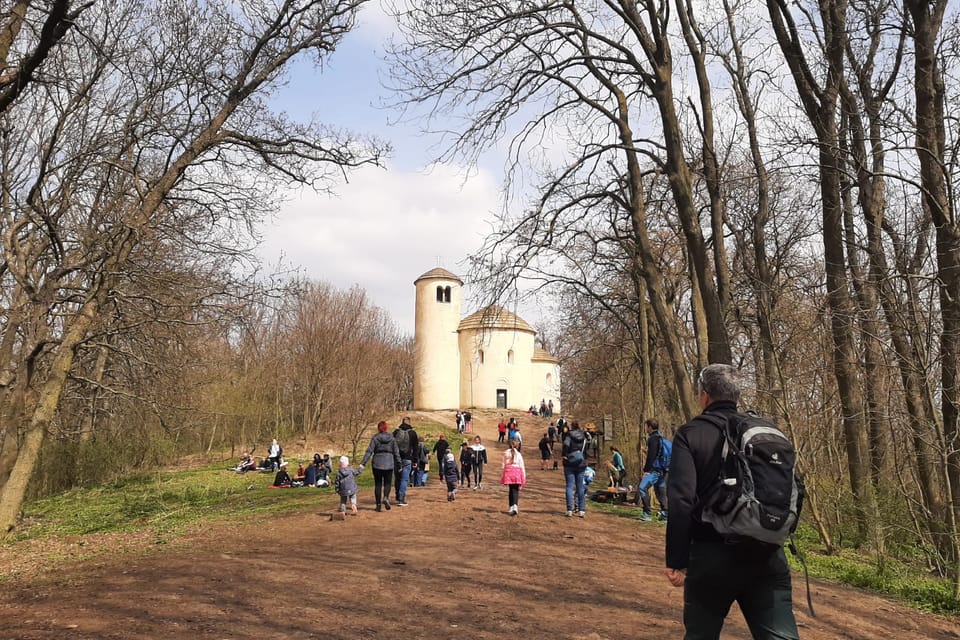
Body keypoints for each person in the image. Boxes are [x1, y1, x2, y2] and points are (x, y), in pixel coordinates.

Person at [664, 363, 800, 640]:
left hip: (712, 556)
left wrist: (677, 559)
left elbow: (681, 499)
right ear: (736, 396)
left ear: (704, 396)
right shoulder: (764, 433)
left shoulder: (691, 433)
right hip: (767, 554)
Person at [361, 421, 401, 512]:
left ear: (379, 428)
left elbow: (369, 451)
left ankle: (378, 505)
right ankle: (386, 497)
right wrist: (399, 464)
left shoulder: (375, 438)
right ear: (386, 428)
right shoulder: (392, 438)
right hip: (389, 463)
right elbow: (396, 452)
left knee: (378, 484)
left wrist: (363, 463)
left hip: (377, 463)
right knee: (387, 483)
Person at [636, 419, 669, 521]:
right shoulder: (661, 436)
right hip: (664, 469)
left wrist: (646, 470)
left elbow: (651, 456)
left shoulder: (653, 438)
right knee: (660, 491)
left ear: (650, 427)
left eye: (646, 426)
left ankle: (647, 514)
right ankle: (665, 514)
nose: (645, 428)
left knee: (642, 488)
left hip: (655, 470)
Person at [562, 421, 589, 517]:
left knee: (569, 486)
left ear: (571, 427)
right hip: (581, 463)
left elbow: (565, 446)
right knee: (580, 486)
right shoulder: (584, 437)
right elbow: (586, 450)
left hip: (569, 463)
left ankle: (569, 509)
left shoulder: (569, 436)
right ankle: (582, 510)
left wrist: (564, 455)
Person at [393, 417, 419, 506]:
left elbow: (392, 445)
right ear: (409, 423)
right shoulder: (413, 433)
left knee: (397, 478)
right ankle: (401, 498)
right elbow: (416, 448)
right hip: (408, 459)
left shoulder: (396, 432)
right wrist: (415, 460)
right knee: (404, 479)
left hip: (396, 459)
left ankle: (397, 495)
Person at [500, 437, 526, 515]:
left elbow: (503, 465)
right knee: (515, 490)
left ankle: (511, 506)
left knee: (511, 490)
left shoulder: (506, 453)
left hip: (509, 473)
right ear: (516, 446)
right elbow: (522, 466)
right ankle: (515, 506)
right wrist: (523, 476)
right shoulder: (518, 454)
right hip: (517, 473)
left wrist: (503, 474)